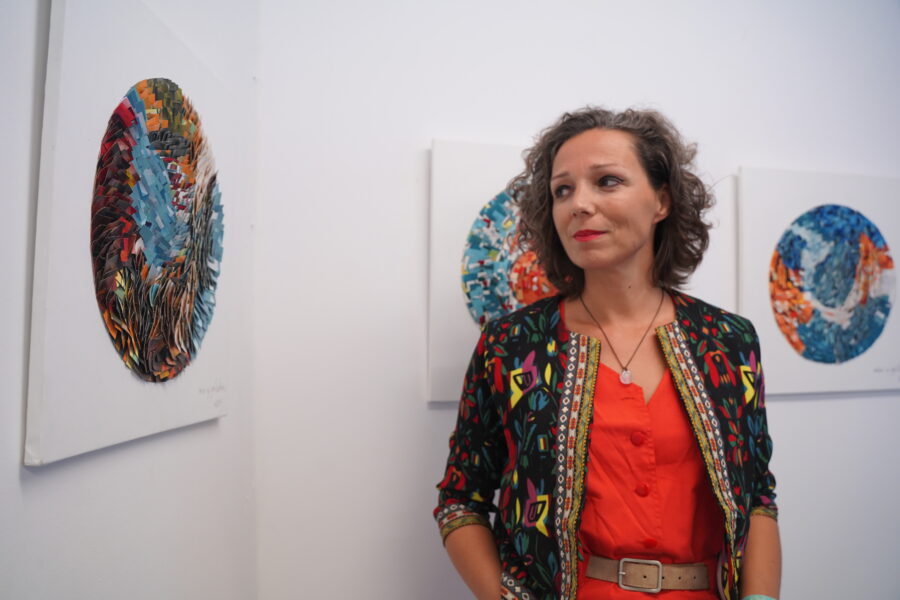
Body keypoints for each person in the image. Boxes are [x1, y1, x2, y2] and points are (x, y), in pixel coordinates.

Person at [434, 107, 781, 600]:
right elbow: (460, 499)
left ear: (662, 200)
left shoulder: (728, 340)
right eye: (562, 190)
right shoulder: (512, 345)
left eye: (607, 181)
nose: (579, 204)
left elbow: (758, 494)